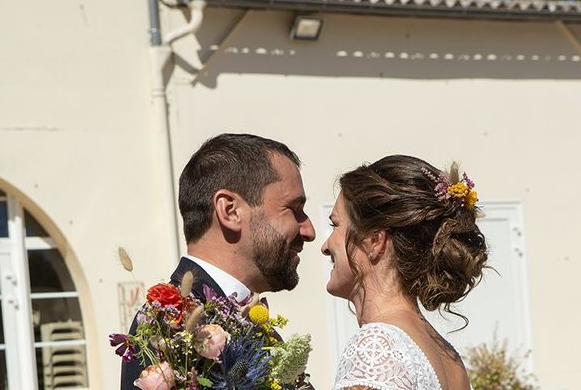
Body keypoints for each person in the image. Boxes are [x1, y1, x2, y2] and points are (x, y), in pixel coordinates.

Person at [121, 133, 316, 389]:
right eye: (293, 209)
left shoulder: (240, 318)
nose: (309, 230)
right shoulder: (170, 328)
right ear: (230, 211)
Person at [322, 155, 488, 390]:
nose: (325, 246)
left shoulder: (377, 347)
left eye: (335, 225)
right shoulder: (448, 358)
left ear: (373, 240)